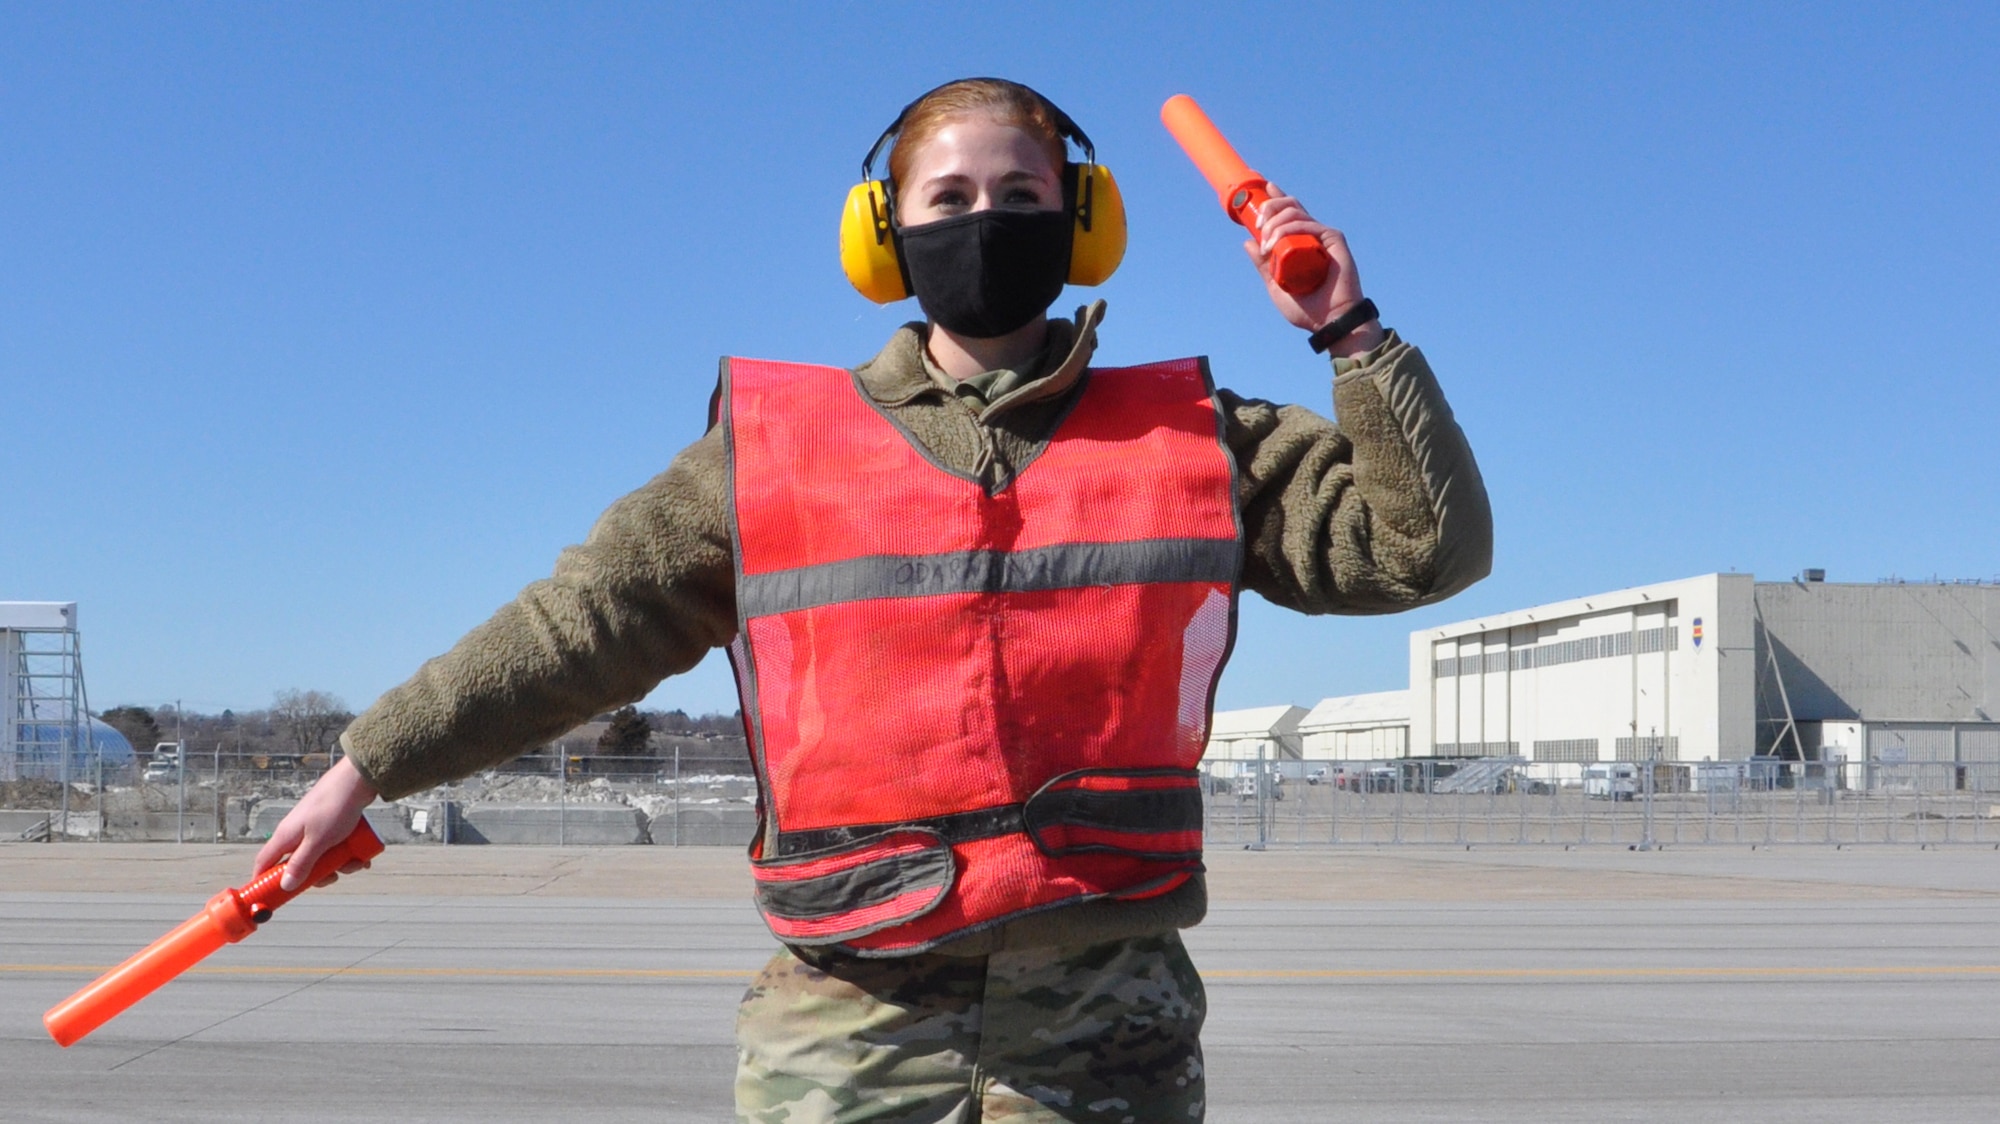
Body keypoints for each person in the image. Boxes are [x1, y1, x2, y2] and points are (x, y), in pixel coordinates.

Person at [257, 78, 1491, 1122]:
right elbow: (577, 624)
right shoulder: (770, 450)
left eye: (1021, 196)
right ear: (884, 233)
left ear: (1080, 224)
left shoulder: (1195, 435)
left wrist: (1348, 331)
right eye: (946, 199)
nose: (985, 219)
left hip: (1106, 1034)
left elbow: (1417, 551)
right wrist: (370, 763)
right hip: (845, 1035)